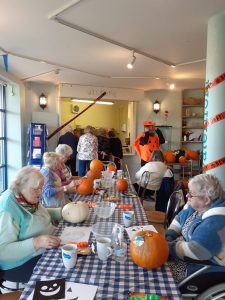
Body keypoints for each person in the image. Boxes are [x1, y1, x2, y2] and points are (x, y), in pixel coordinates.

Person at [0, 166, 61, 292]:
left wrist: (61, 212)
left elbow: (39, 215)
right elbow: (3, 252)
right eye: (36, 189)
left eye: (41, 188)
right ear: (21, 186)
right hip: (18, 264)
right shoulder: (8, 209)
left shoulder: (25, 197)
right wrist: (37, 242)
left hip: (40, 250)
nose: (40, 192)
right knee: (61, 272)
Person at [166, 174, 225, 283]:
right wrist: (170, 236)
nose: (187, 195)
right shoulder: (199, 207)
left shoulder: (216, 221)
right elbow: (180, 218)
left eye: (191, 194)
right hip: (186, 257)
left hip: (204, 268)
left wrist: (169, 247)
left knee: (157, 275)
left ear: (206, 200)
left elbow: (197, 251)